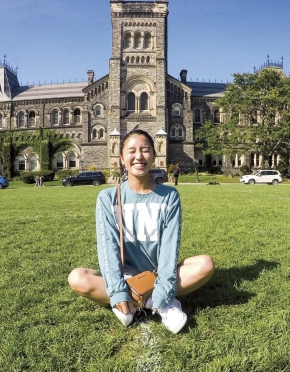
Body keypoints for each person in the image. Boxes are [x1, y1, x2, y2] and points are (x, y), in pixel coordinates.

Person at [68, 130, 215, 333]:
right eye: (132, 151)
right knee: (77, 278)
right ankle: (132, 299)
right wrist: (118, 291)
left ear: (154, 155)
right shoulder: (108, 197)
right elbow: (107, 248)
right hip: (126, 279)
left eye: (145, 150)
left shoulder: (169, 196)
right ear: (121, 158)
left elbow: (169, 247)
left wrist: (163, 289)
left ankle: (155, 301)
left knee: (205, 264)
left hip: (159, 275)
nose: (139, 156)